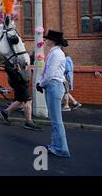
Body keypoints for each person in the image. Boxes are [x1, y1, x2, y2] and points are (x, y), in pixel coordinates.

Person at [36, 30, 70, 158]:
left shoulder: (56, 54)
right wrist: (41, 82)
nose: (45, 40)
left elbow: (50, 73)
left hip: (54, 85)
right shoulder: (54, 53)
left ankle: (60, 148)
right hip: (52, 85)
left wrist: (41, 83)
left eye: (48, 39)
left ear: (53, 41)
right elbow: (47, 72)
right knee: (55, 119)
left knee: (56, 120)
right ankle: (56, 145)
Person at [0, 59, 42, 131]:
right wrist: (22, 70)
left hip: (21, 83)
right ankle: (28, 122)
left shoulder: (15, 58)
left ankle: (5, 112)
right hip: (20, 84)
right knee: (28, 101)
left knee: (19, 100)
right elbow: (17, 74)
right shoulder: (12, 61)